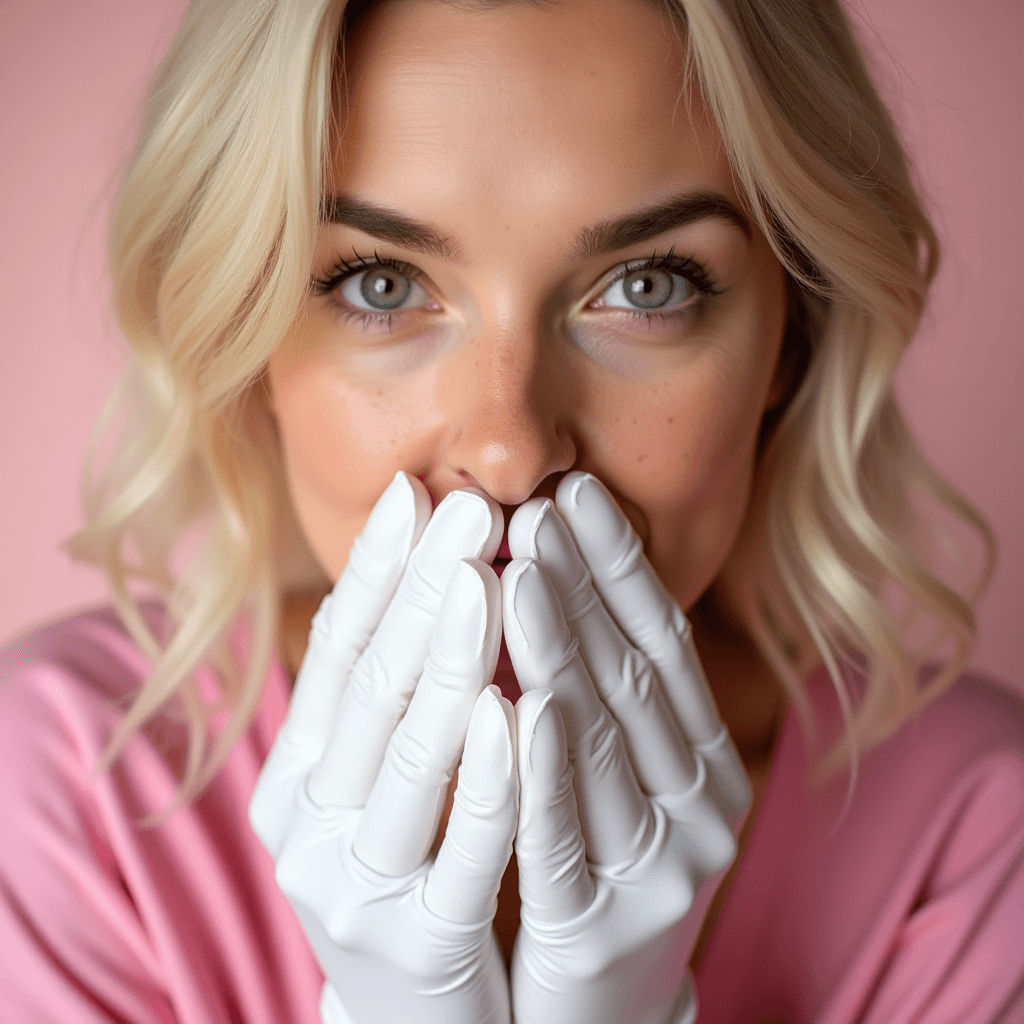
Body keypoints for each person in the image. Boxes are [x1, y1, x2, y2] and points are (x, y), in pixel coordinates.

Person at [1, 0, 1021, 1020]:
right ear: (249, 337)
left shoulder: (975, 835)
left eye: (648, 285)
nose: (508, 449)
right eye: (383, 283)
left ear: (786, 343)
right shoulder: (61, 792)